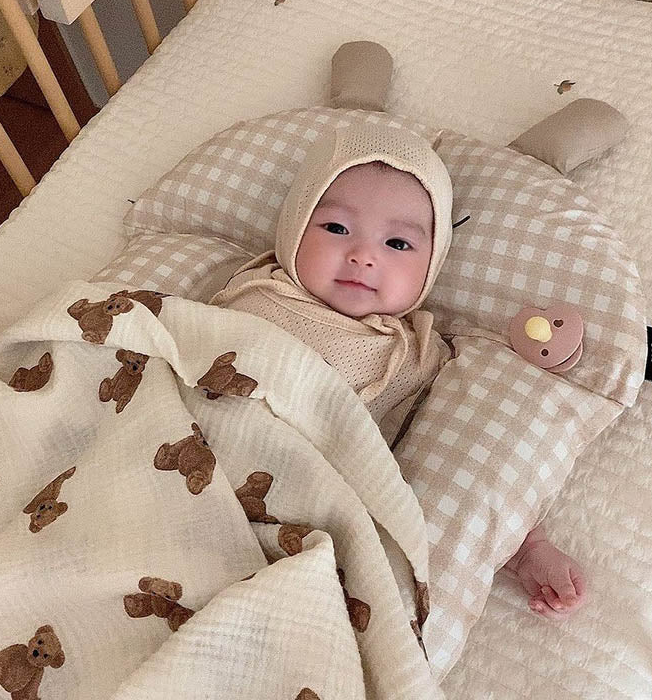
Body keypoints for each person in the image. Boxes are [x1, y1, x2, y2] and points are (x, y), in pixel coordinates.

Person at [211, 120, 587, 621]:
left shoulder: (414, 356)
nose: (363, 256)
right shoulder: (252, 291)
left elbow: (442, 464)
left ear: (432, 266)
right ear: (294, 227)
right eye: (336, 228)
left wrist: (527, 549)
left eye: (398, 244)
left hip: (288, 520)